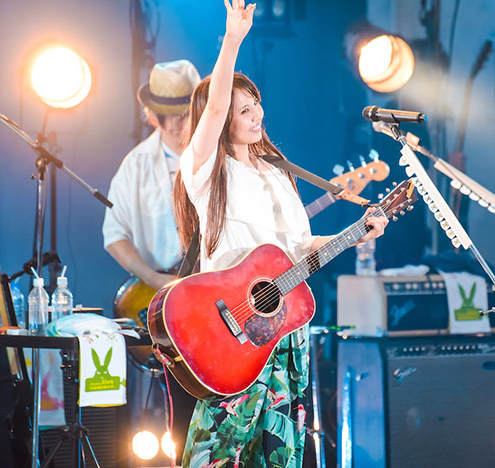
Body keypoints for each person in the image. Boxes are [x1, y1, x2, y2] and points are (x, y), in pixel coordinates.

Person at [174, 1, 388, 466]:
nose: (257, 116)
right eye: (244, 110)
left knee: (280, 451)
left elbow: (299, 249)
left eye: (257, 106)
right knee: (217, 449)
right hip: (233, 329)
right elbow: (211, 111)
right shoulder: (207, 168)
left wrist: (357, 234)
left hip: (286, 331)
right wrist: (233, 39)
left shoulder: (277, 172)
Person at [103, 59, 201, 290]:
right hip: (160, 285)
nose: (188, 120)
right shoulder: (136, 165)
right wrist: (153, 279)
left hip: (214, 283)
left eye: (192, 112)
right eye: (178, 115)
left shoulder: (222, 157)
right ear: (155, 117)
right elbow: (114, 235)